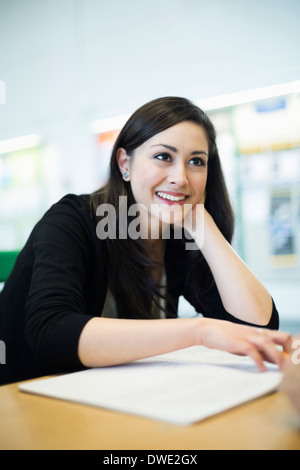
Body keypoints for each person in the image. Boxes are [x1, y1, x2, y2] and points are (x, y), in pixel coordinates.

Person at [0, 96, 291, 386]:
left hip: (112, 395)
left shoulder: (182, 238)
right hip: (27, 396)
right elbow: (51, 332)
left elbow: (257, 328)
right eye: (164, 156)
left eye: (196, 162)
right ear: (125, 163)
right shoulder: (73, 220)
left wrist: (203, 225)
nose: (181, 177)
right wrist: (198, 331)